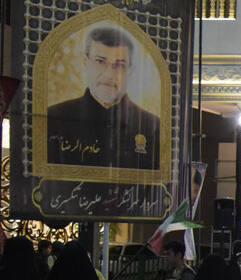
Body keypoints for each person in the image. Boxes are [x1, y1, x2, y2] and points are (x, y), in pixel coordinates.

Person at [45, 25, 161, 171]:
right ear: (85, 63)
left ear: (130, 72)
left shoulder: (152, 127)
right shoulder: (53, 119)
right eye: (100, 62)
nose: (109, 75)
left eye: (119, 65)